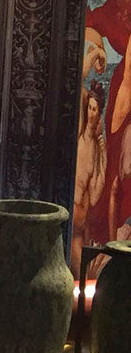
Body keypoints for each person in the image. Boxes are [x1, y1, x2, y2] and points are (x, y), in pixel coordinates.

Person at [76, 82, 108, 269]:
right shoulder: (79, 134)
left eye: (94, 109)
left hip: (83, 222)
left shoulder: (96, 148)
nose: (91, 113)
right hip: (74, 220)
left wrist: (103, 155)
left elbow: (95, 195)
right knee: (80, 271)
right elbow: (80, 86)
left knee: (85, 272)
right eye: (89, 107)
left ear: (99, 114)